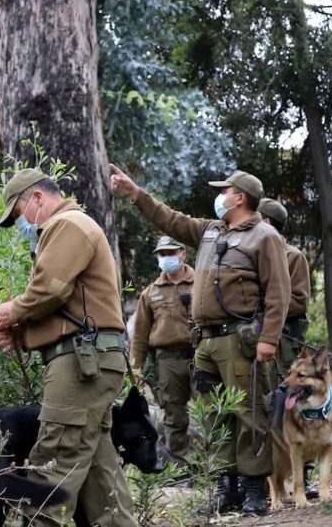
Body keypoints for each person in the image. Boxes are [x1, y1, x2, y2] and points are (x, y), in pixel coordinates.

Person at [109, 165, 290, 516]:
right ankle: (226, 487)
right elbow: (171, 220)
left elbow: (278, 293)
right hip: (204, 343)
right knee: (213, 416)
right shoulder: (210, 231)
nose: (219, 197)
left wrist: (269, 338)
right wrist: (135, 194)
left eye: (224, 191)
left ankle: (254, 489)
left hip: (240, 340)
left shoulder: (264, 237)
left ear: (240, 198)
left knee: (249, 413)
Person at [0, 169, 137, 526]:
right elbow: (69, 306)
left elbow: (51, 289)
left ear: (37, 197)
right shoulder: (71, 227)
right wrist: (23, 334)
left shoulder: (66, 224)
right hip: (92, 359)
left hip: (82, 362)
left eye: (19, 212)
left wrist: (14, 310)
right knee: (100, 470)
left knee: (55, 456)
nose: (22, 223)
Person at [257, 197, 315, 498]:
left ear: (266, 222)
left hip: (286, 344)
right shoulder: (253, 254)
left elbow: (299, 300)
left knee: (296, 405)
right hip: (257, 341)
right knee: (262, 406)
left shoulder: (293, 256)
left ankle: (305, 475)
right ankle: (264, 479)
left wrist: (266, 306)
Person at [130, 236, 194, 471]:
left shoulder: (202, 282)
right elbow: (140, 336)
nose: (166, 258)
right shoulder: (150, 293)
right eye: (162, 254)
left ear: (182, 254)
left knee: (212, 412)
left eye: (171, 253)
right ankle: (181, 469)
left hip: (200, 355)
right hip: (167, 360)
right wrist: (136, 369)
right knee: (174, 416)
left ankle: (215, 470)